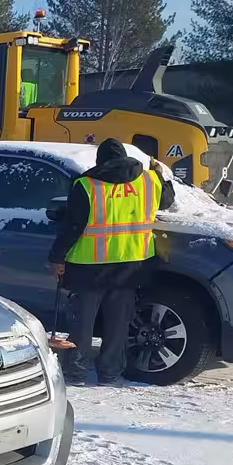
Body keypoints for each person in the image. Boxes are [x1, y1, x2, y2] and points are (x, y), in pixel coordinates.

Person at [48, 138, 174, 385]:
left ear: (100, 161)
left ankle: (76, 373)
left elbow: (74, 226)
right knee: (117, 325)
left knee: (82, 326)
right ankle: (110, 374)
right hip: (131, 267)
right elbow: (167, 201)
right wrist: (161, 175)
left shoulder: (86, 185)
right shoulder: (149, 181)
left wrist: (57, 257)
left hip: (89, 267)